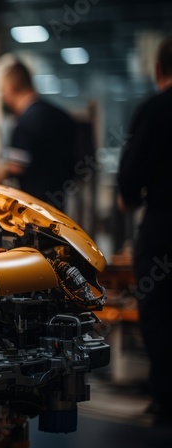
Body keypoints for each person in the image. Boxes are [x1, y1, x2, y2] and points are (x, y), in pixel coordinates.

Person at [117, 37, 172, 423]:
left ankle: (167, 402)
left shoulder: (155, 109)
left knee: (159, 312)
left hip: (165, 225)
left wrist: (130, 196)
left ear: (158, 70)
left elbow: (130, 179)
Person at [0, 61, 78, 209]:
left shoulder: (25, 122)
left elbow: (15, 167)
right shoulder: (63, 116)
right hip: (60, 208)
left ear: (11, 88)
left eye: (3, 90)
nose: (4, 97)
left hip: (35, 210)